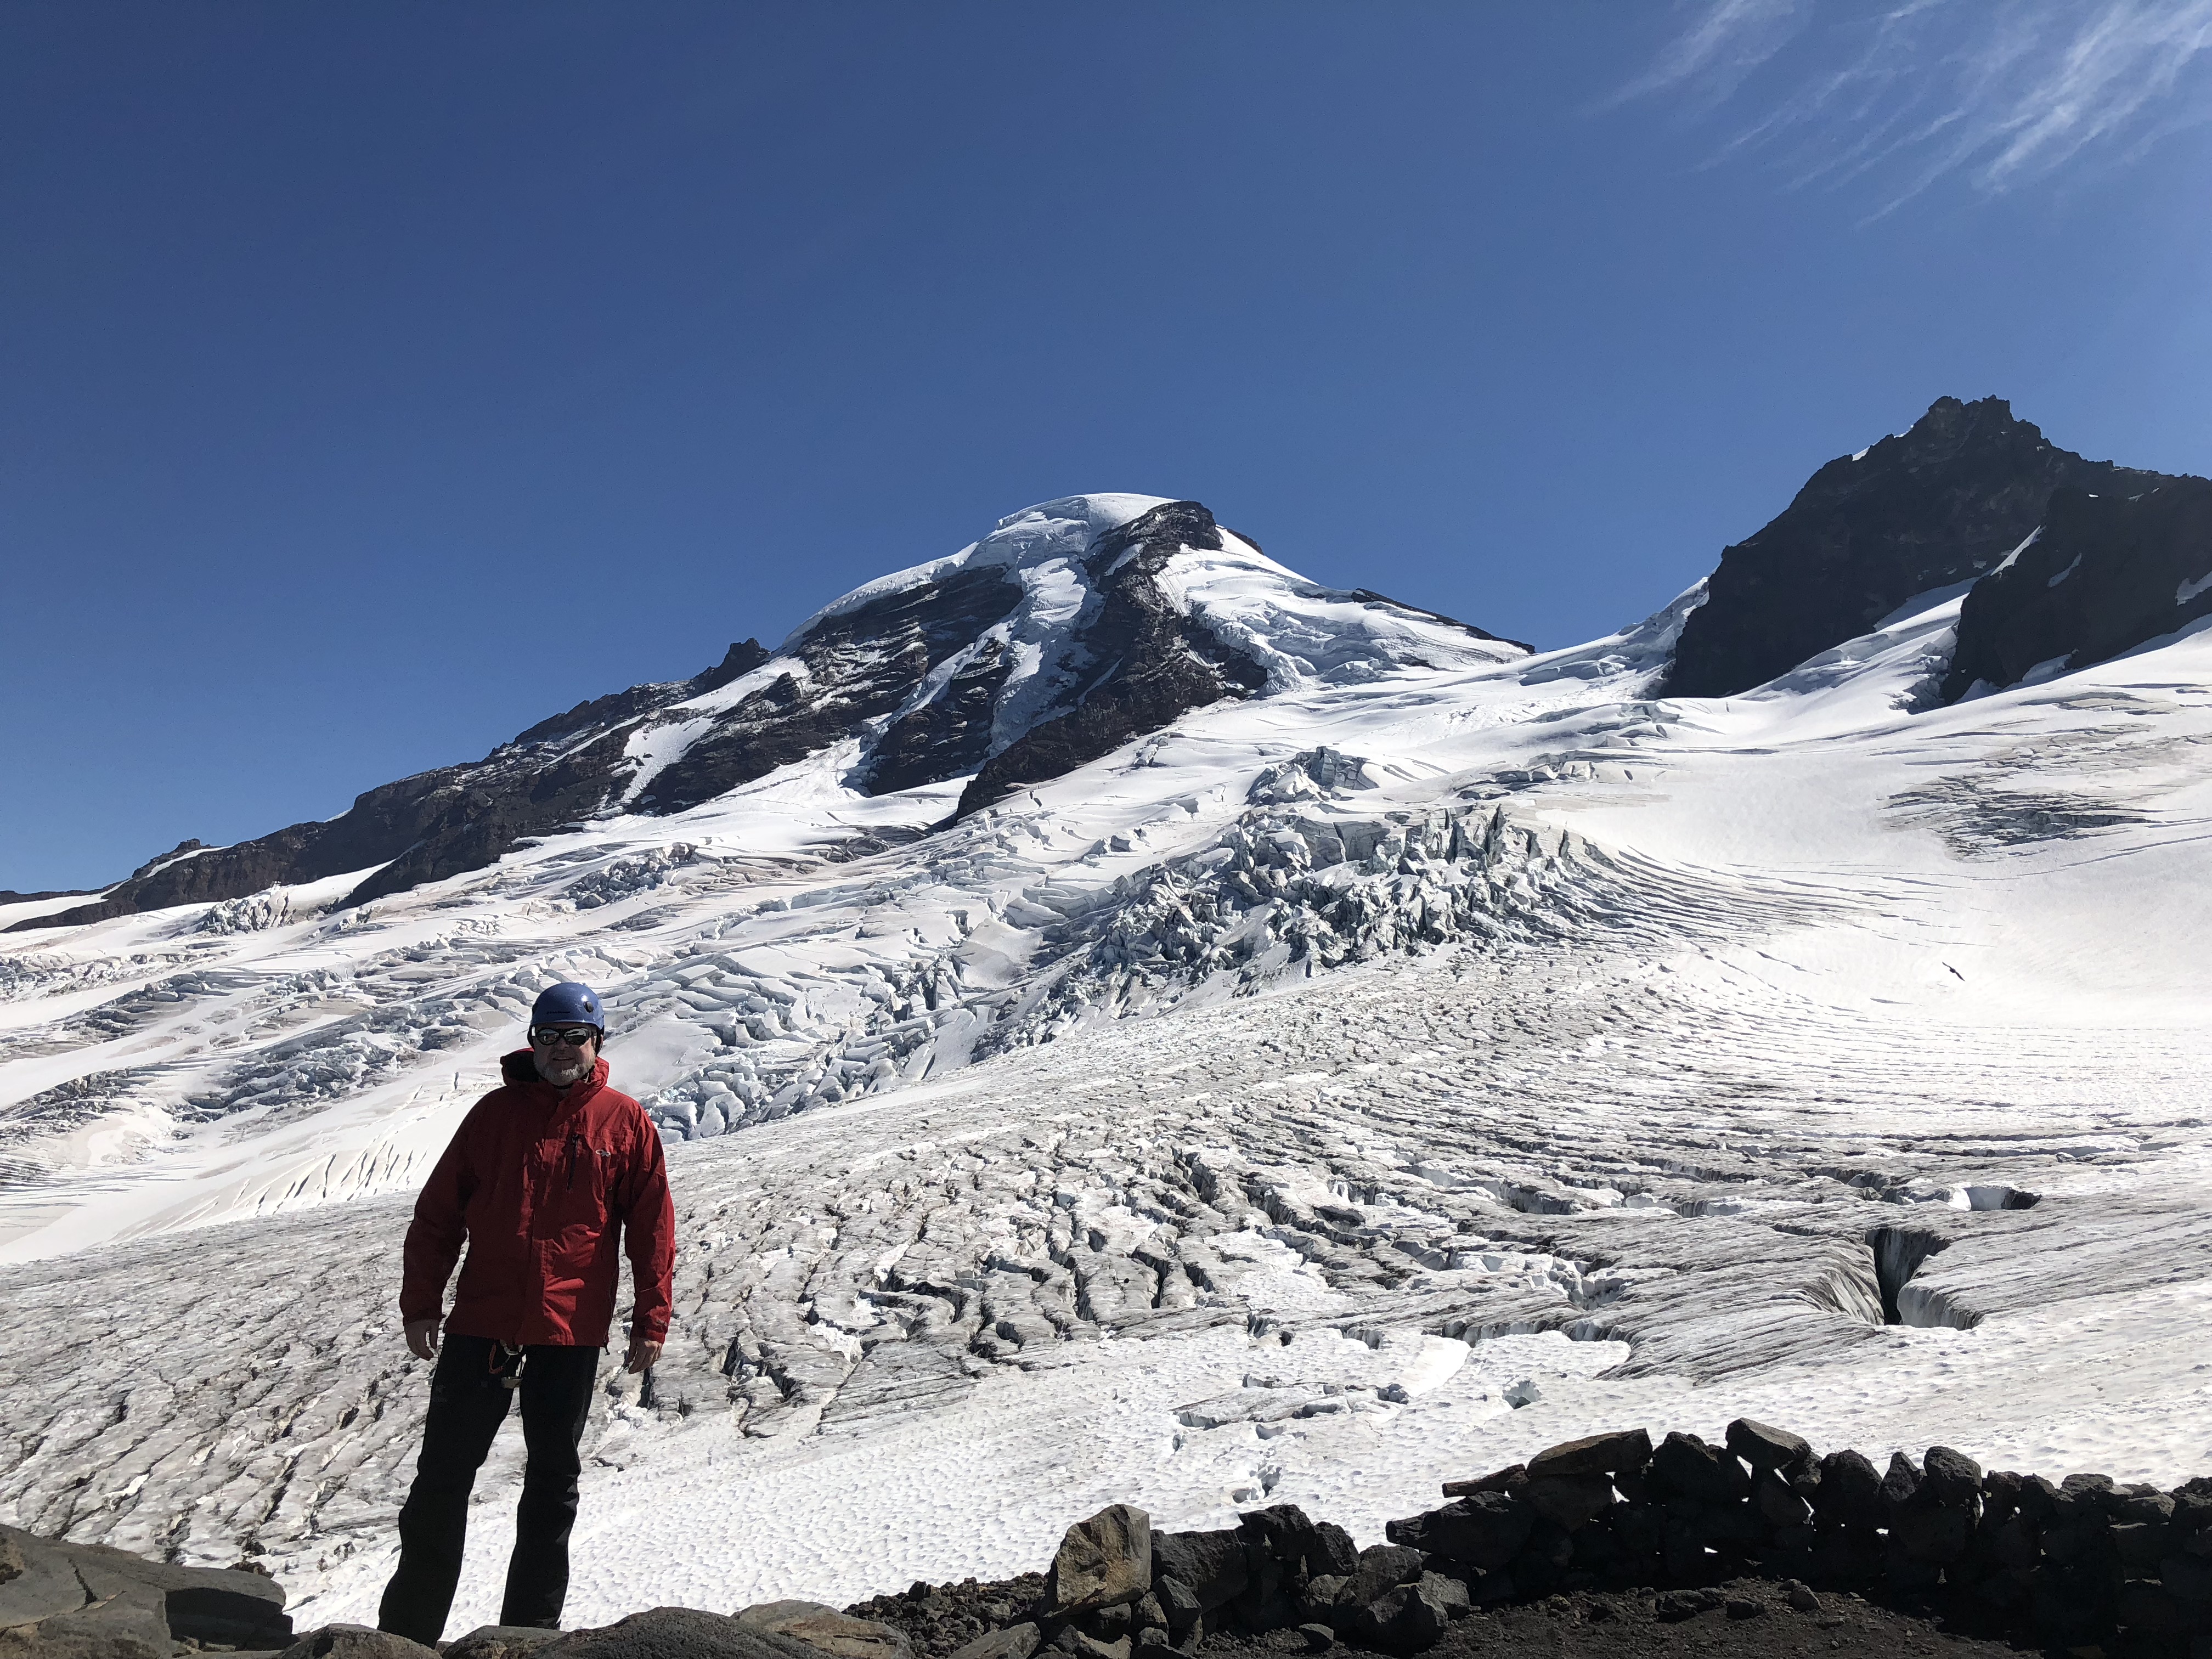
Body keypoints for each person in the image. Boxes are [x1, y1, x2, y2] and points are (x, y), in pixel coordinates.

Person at [376, 981, 675, 1645]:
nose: (561, 1049)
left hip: (568, 1332)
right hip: (482, 1325)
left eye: (575, 1036)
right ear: (531, 1042)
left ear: (597, 1041)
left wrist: (651, 1317)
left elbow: (652, 1229)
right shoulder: (492, 1117)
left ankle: (528, 1637)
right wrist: (421, 1303)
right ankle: (404, 1638)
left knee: (552, 1487)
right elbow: (438, 1216)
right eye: (548, 1036)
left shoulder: (624, 1123)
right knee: (440, 1484)